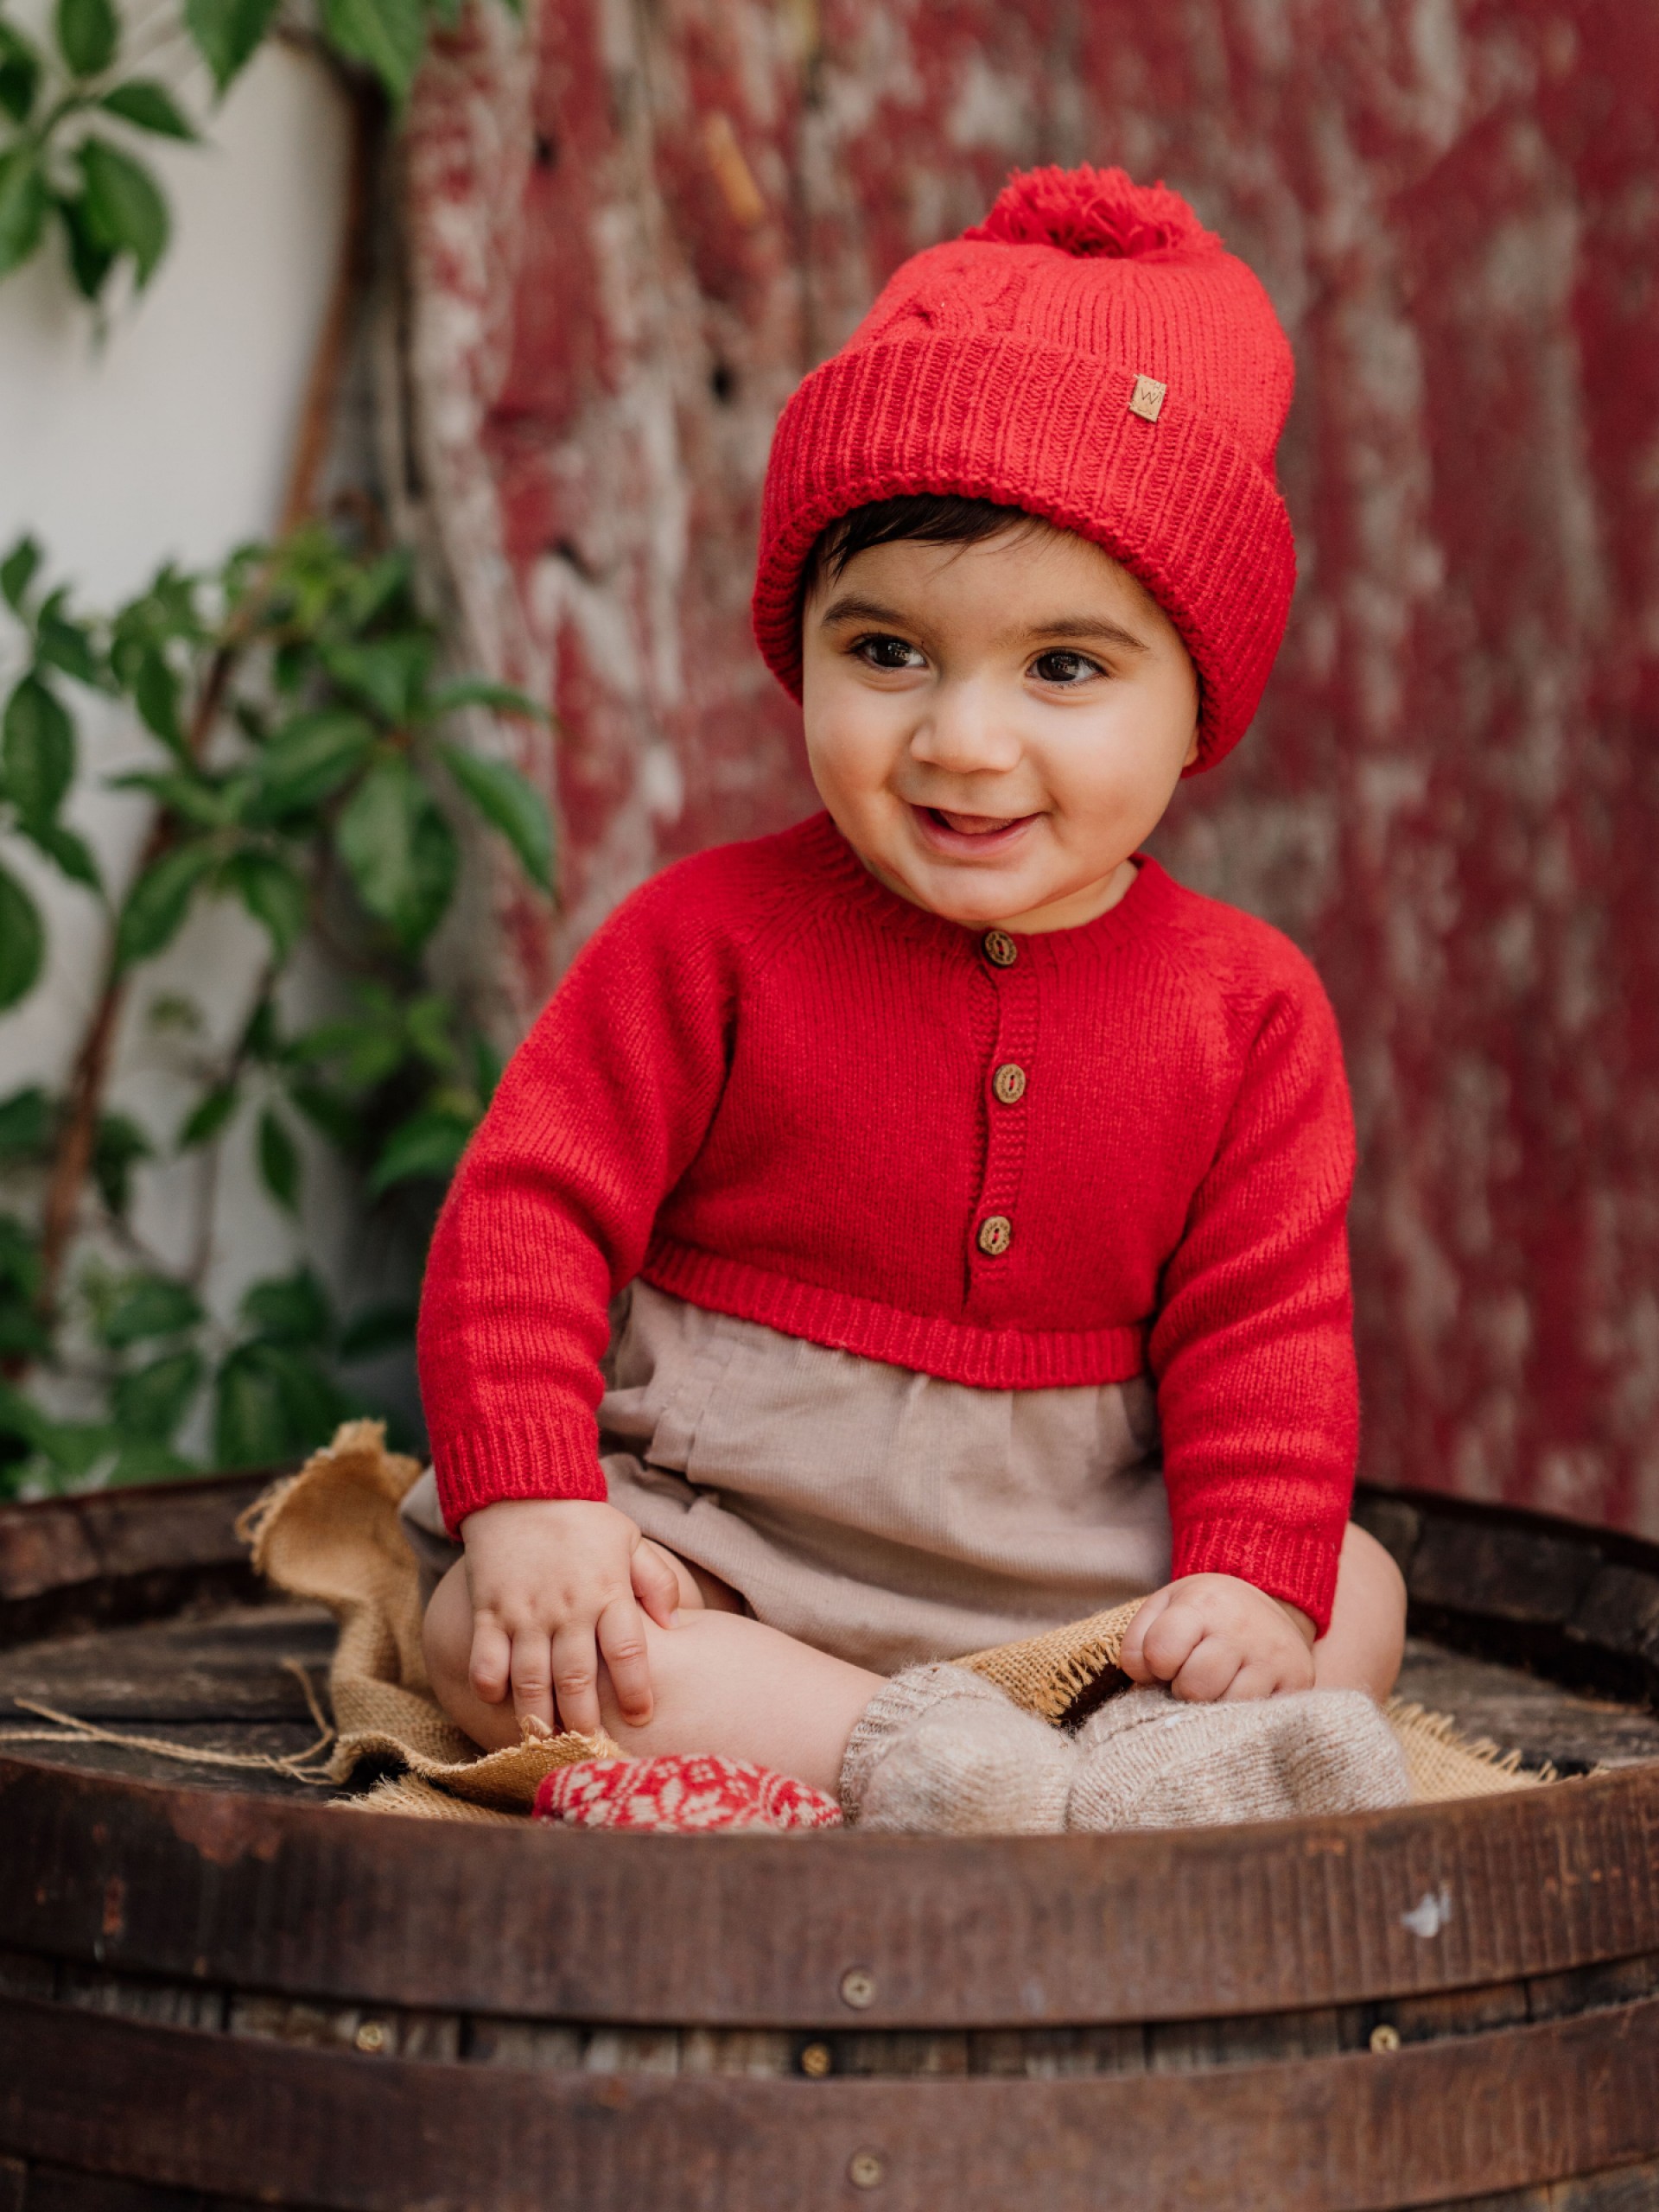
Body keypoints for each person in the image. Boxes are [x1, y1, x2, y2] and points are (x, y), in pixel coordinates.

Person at [408, 164, 1411, 1832]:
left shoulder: (1246, 1011)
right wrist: (534, 1501)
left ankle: (1161, 1758)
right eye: (887, 652)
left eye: (1065, 668)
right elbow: (527, 1213)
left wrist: (1246, 1577)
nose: (959, 739)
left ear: (1197, 704)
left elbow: (1266, 1335)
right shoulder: (705, 937)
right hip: (731, 1534)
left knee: (1349, 1586)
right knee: (491, 1640)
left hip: (1073, 1559)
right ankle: (907, 1758)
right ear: (800, 642)